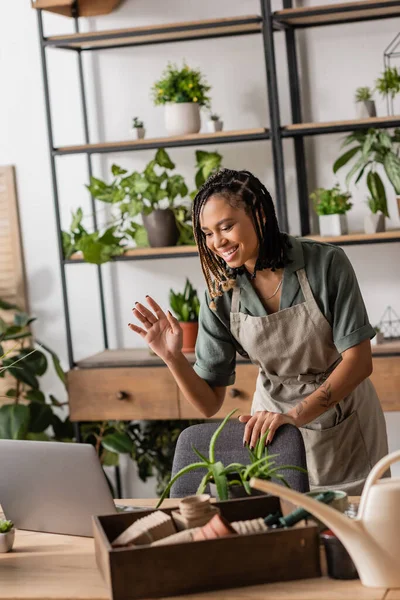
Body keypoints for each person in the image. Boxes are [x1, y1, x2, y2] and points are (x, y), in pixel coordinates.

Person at [129, 168, 389, 494]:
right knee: (281, 528)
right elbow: (209, 403)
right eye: (207, 233)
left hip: (343, 422)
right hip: (271, 428)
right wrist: (172, 358)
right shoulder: (220, 293)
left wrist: (295, 416)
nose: (217, 242)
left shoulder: (325, 263)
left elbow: (360, 362)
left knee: (352, 527)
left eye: (226, 227)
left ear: (260, 215)